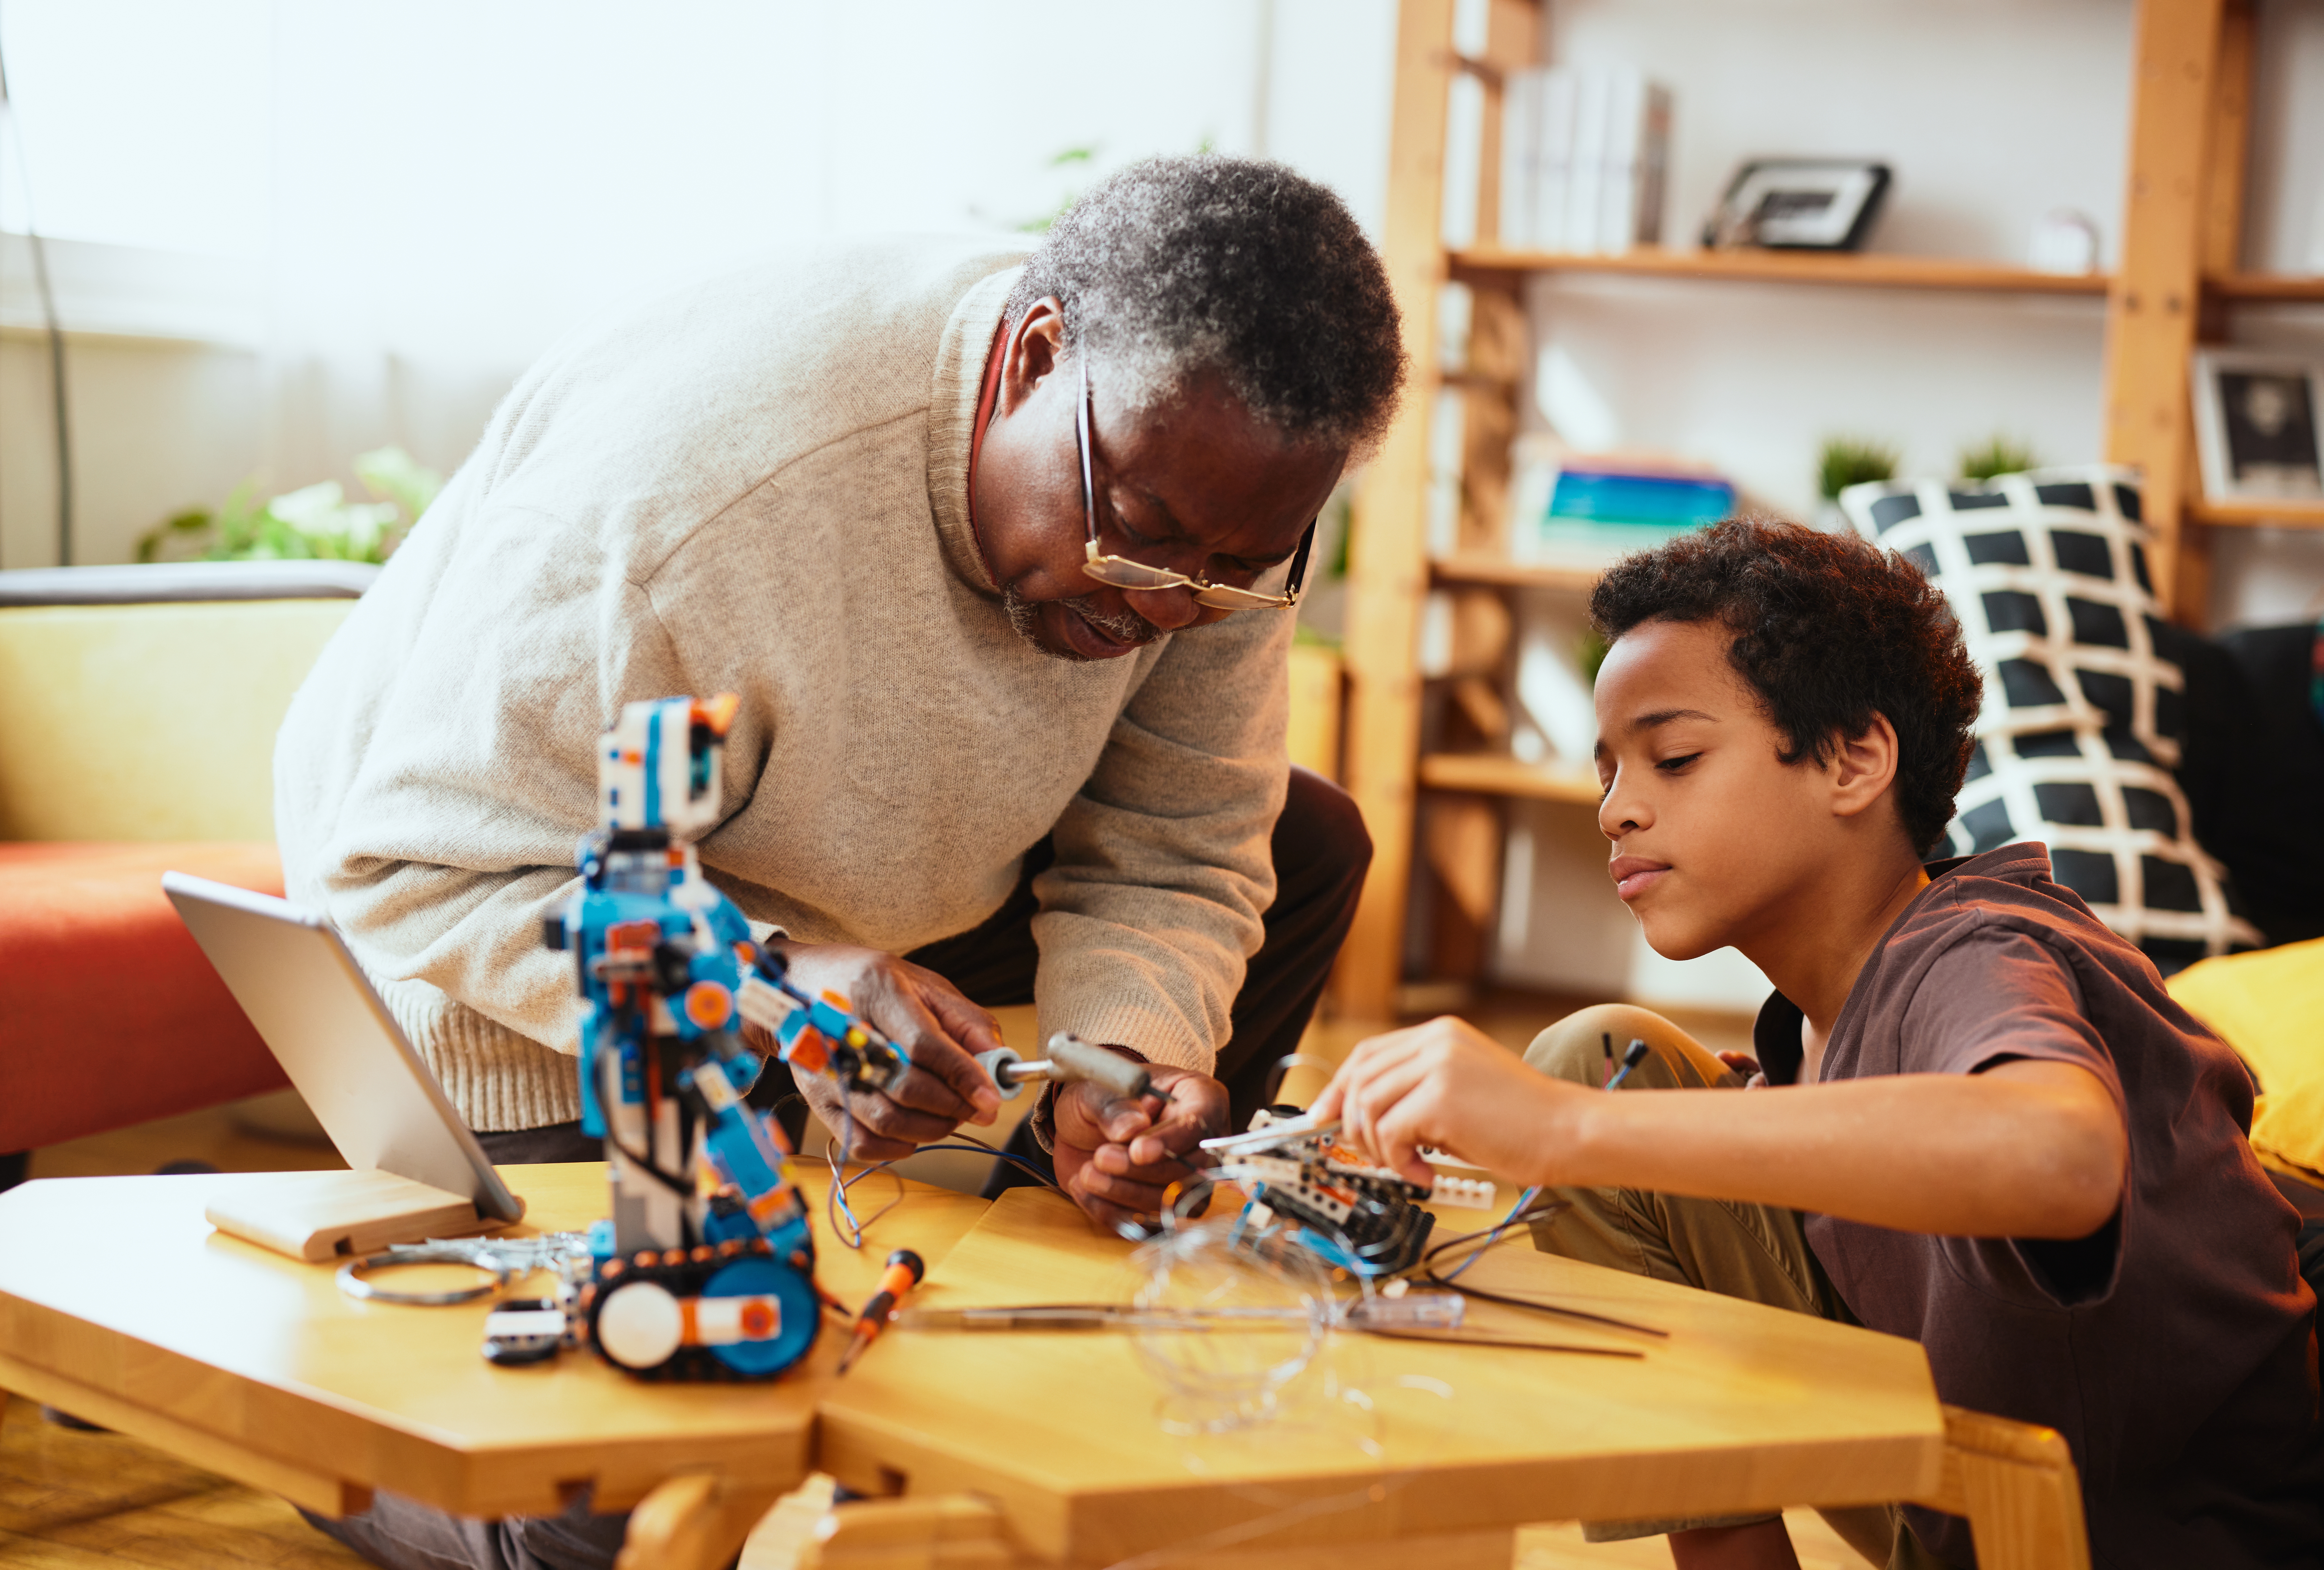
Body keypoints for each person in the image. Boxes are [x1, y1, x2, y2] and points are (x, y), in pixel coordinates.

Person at [276, 157, 1400, 1569]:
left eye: (1236, 568)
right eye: (1146, 539)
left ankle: (1038, 1278)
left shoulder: (1211, 498)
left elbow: (1180, 839)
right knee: (627, 1511)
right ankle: (318, 1426)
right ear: (1035, 358)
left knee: (1306, 842)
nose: (1173, 606)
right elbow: (422, 867)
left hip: (848, 884)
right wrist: (775, 990)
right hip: (499, 930)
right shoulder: (691, 507)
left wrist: (1128, 1059)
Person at [1311, 520, 2322, 1570]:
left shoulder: (1980, 948)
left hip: (2134, 1542)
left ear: (1855, 760)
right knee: (1604, 1060)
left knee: (1591, 1096)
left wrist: (1561, 1129)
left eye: (1674, 758)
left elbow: (2062, 1155)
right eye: (1608, 773)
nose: (1617, 812)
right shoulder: (1810, 1028)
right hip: (1967, 1503)